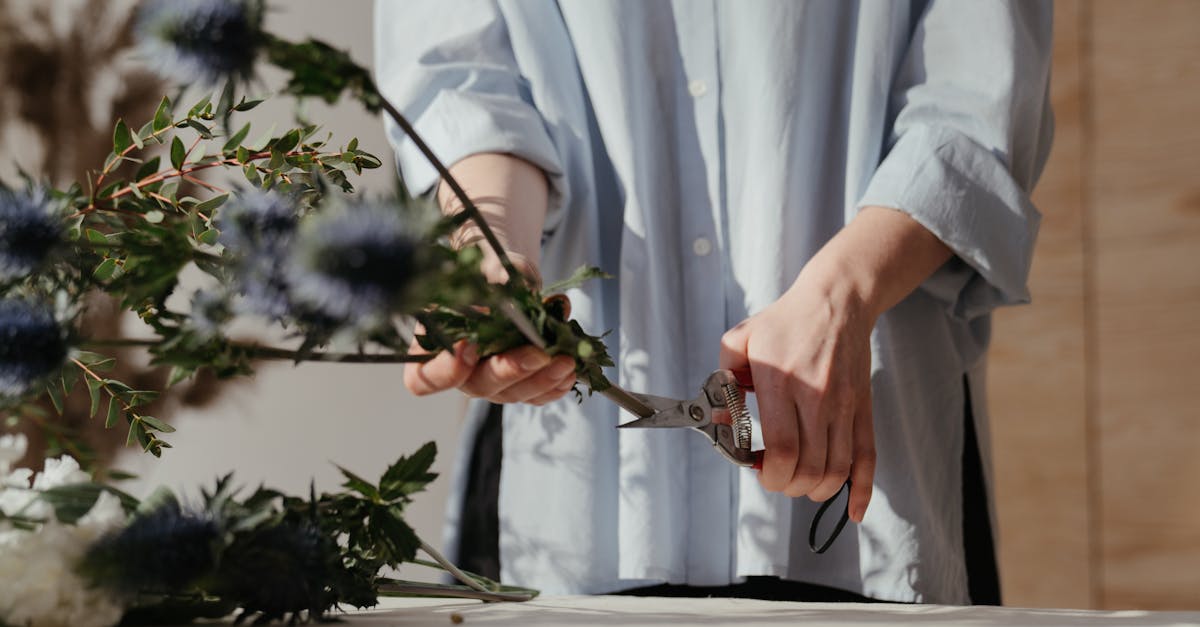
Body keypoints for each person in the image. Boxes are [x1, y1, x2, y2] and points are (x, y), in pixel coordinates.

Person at [375, 0, 1053, 605]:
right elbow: (464, 81)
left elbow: (977, 94)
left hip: (865, 501)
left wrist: (844, 294)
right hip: (570, 510)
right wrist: (488, 248)